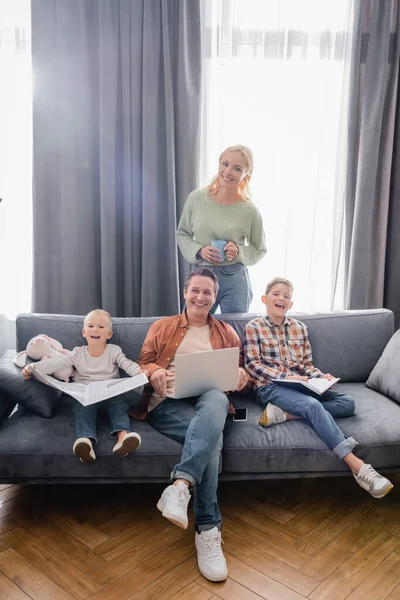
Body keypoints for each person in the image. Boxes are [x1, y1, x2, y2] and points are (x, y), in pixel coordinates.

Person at [135, 267, 249, 582]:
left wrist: (242, 376)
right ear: (185, 292)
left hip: (209, 402)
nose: (201, 297)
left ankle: (180, 488)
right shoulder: (162, 326)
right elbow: (142, 361)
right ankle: (208, 528)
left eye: (208, 292)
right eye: (195, 290)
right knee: (211, 441)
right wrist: (154, 371)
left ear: (215, 297)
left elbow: (239, 370)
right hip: (167, 404)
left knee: (215, 398)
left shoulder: (227, 331)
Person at [244, 277, 394, 499]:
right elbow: (252, 365)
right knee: (313, 406)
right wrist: (289, 377)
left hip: (302, 387)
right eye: (276, 294)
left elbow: (306, 365)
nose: (281, 299)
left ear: (291, 304)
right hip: (270, 387)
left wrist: (321, 377)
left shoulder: (299, 328)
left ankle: (285, 415)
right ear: (265, 299)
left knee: (347, 403)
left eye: (286, 296)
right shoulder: (253, 327)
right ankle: (359, 467)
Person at [23, 309, 145, 463]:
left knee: (119, 405)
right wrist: (34, 369)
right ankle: (85, 441)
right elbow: (56, 363)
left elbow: (126, 364)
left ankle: (123, 438)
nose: (95, 329)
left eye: (101, 327)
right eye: (91, 326)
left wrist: (139, 372)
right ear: (84, 332)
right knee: (81, 408)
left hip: (111, 392)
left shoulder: (114, 351)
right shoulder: (77, 353)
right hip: (86, 394)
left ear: (109, 334)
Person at [176, 145, 266, 313]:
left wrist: (238, 251)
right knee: (192, 329)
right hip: (201, 275)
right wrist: (199, 250)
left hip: (235, 280)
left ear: (247, 174)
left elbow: (259, 249)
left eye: (237, 168)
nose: (228, 171)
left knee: (234, 333)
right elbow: (182, 234)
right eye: (225, 164)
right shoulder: (197, 199)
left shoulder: (250, 211)